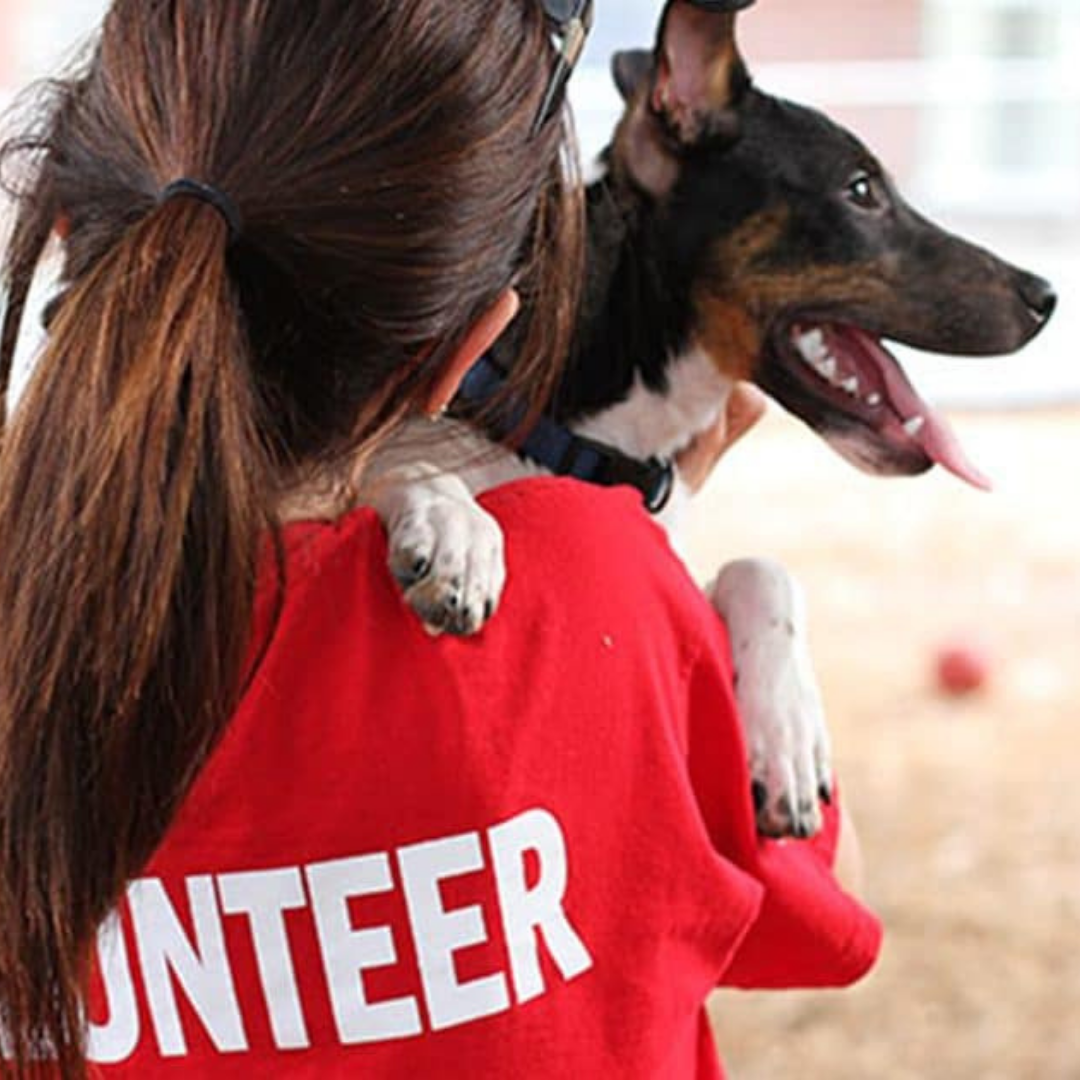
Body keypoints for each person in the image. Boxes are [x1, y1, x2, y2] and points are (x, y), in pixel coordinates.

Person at [0, 2, 879, 1078]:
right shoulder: (590, 580)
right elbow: (810, 913)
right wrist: (650, 541)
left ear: (63, 235)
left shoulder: (31, 606)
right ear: (466, 348)